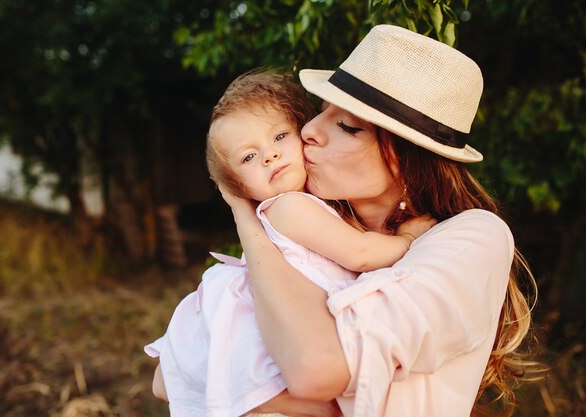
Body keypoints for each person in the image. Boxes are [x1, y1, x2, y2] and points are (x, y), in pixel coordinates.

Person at [218, 24, 539, 417]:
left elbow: (312, 370)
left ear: (407, 160)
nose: (309, 131)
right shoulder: (317, 231)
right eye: (322, 112)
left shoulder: (473, 237)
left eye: (348, 127)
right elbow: (170, 373)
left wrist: (245, 218)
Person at [146, 71, 434, 417]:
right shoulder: (288, 207)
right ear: (238, 188)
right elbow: (360, 253)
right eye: (248, 157)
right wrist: (407, 239)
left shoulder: (308, 206)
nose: (268, 156)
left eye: (279, 137)